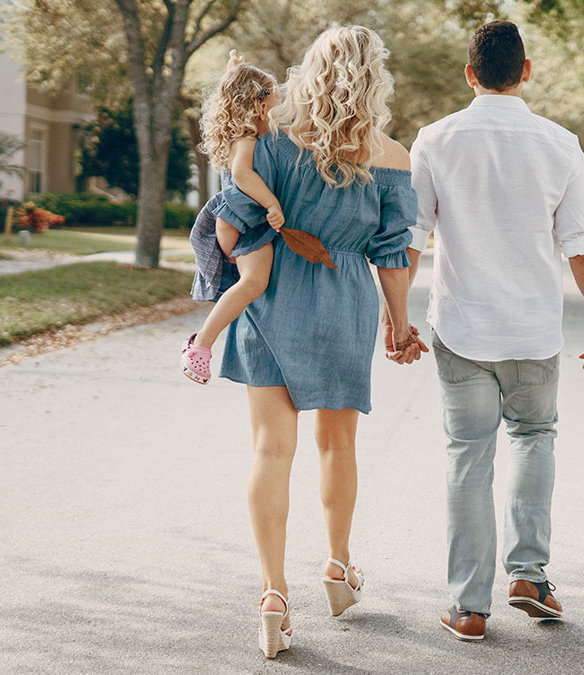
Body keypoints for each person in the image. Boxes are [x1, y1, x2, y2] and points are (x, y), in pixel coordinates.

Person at [215, 26, 425, 659]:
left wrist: (266, 249)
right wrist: (399, 322)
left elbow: (229, 232)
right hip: (345, 303)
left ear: (310, 69)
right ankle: (337, 565)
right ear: (376, 78)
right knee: (337, 445)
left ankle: (274, 595)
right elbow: (393, 256)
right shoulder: (391, 156)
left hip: (273, 296)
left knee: (269, 450)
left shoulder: (271, 137)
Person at [405, 20, 584, 641]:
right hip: (532, 331)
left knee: (467, 457)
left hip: (462, 326)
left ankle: (469, 606)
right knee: (533, 438)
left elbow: (410, 241)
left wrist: (396, 320)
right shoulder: (561, 145)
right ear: (526, 70)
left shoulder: (435, 140)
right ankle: (529, 574)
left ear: (470, 74)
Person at [182, 51, 287, 384]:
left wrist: (235, 71)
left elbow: (238, 90)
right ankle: (200, 345)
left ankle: (203, 343)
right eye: (276, 101)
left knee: (250, 285)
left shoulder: (243, 132)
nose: (279, 109)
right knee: (253, 282)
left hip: (236, 220)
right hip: (243, 221)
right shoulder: (247, 138)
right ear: (258, 105)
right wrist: (272, 204)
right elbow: (242, 174)